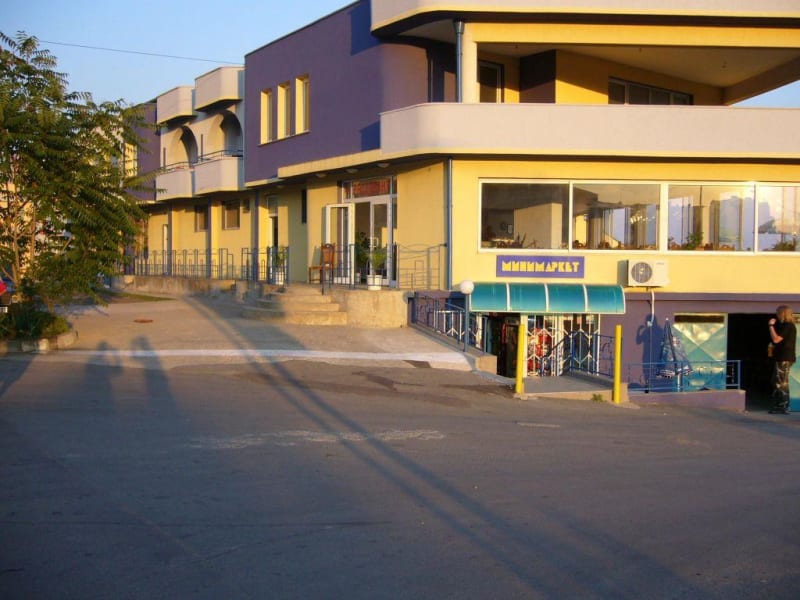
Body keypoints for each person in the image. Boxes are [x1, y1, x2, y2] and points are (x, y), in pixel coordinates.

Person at [768, 305, 796, 414]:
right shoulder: (786, 325)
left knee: (781, 382)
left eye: (778, 313)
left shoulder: (788, 326)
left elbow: (776, 339)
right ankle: (779, 405)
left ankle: (784, 407)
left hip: (785, 357)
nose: (777, 315)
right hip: (781, 357)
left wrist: (771, 326)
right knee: (776, 381)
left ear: (783, 313)